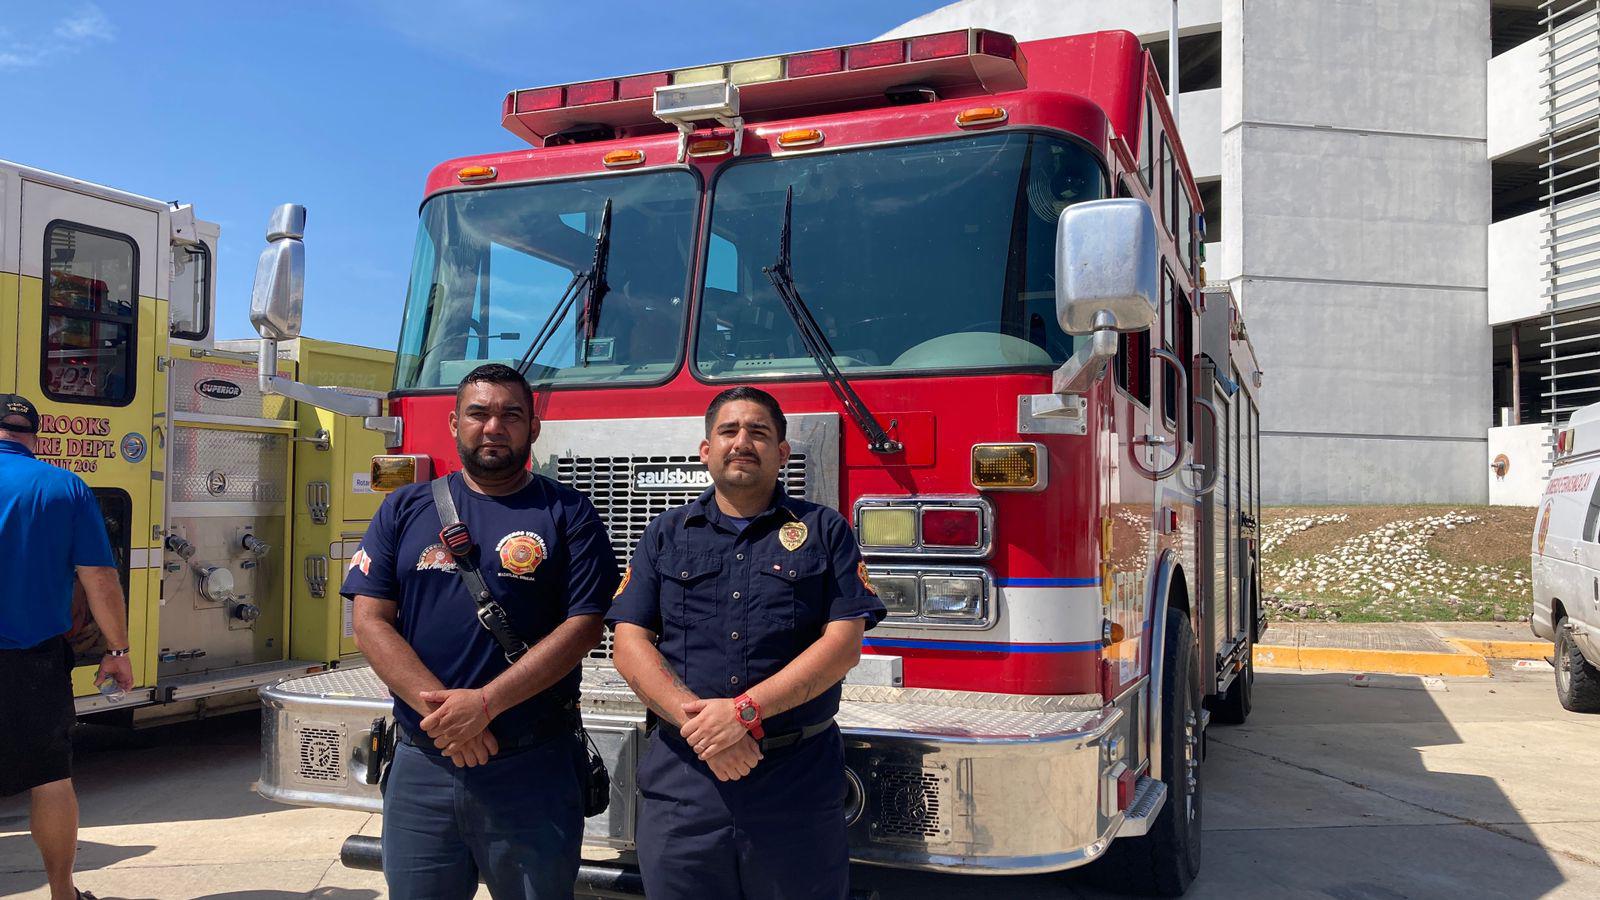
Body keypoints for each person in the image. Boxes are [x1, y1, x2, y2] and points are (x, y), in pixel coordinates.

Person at [344, 363, 619, 900]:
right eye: (479, 413)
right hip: (424, 764)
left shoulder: (569, 513)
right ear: (453, 424)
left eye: (511, 414)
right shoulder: (404, 507)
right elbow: (370, 620)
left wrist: (485, 705)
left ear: (533, 428)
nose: (494, 426)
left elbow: (585, 627)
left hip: (531, 769)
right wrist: (447, 717)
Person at [608, 386, 887, 900]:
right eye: (729, 431)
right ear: (705, 450)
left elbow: (845, 644)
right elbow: (628, 643)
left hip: (794, 786)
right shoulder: (665, 533)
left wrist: (742, 714)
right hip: (684, 784)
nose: (742, 442)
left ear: (782, 453)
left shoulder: (825, 530)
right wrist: (703, 729)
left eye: (759, 432)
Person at [0, 393, 133, 900]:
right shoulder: (64, 487)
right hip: (30, 663)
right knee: (51, 779)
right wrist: (117, 650)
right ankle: (62, 894)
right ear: (33, 437)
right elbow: (98, 577)